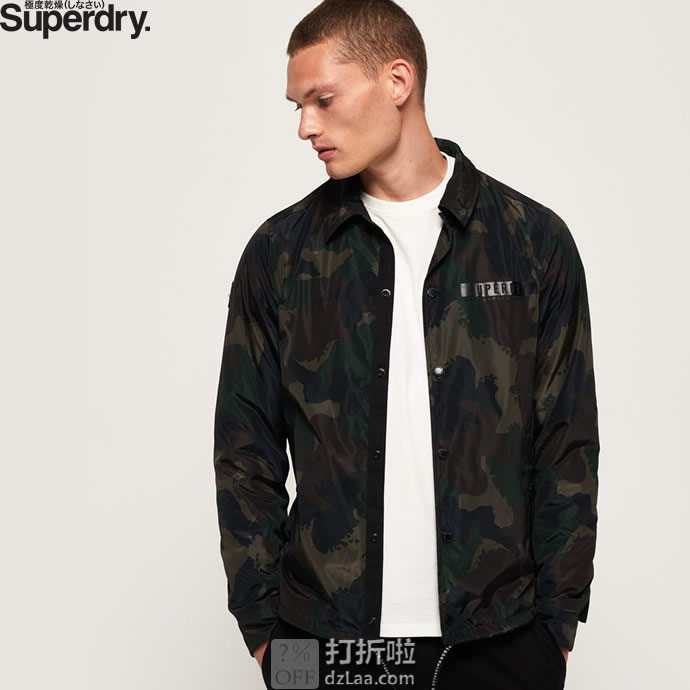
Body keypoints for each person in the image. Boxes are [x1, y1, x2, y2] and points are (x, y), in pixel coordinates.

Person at [213, 1, 599, 688]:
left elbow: (567, 443)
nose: (305, 127)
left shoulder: (531, 243)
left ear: (397, 81)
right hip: (317, 637)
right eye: (298, 107)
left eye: (322, 100)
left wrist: (556, 632)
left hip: (502, 640)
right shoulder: (280, 254)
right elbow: (244, 452)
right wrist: (266, 636)